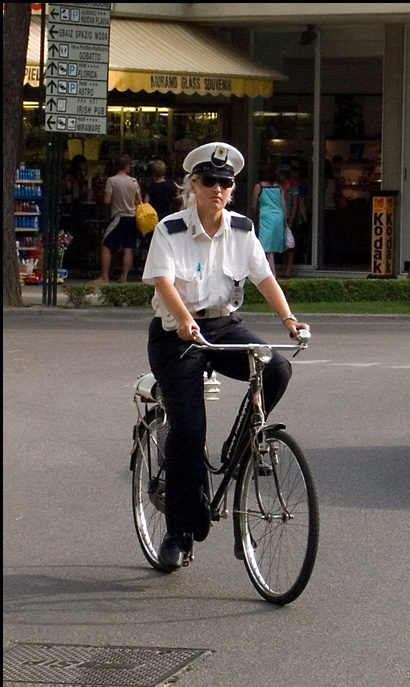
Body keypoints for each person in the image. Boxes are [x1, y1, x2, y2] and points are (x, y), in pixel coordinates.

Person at [142, 141, 310, 572]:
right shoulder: (171, 230)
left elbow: (265, 278)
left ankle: (240, 446)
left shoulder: (241, 229)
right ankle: (177, 533)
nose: (217, 188)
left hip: (222, 325)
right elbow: (163, 282)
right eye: (208, 181)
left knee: (277, 367)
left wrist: (290, 320)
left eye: (225, 182)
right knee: (188, 430)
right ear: (192, 186)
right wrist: (184, 320)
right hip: (177, 334)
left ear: (232, 190)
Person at [94, 154, 141, 283]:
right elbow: (138, 200)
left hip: (119, 217)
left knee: (106, 245)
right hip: (132, 217)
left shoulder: (112, 180)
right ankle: (124, 276)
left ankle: (105, 276)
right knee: (128, 248)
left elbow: (107, 200)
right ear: (127, 167)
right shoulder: (134, 181)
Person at [250, 164, 287, 278]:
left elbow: (253, 205)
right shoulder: (278, 187)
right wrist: (285, 220)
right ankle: (270, 272)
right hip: (279, 216)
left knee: (266, 247)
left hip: (266, 217)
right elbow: (283, 204)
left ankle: (271, 274)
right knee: (272, 246)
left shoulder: (259, 186)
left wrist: (253, 215)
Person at [277, 165, 299, 277]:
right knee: (282, 244)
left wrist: (291, 219)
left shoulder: (293, 187)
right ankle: (283, 268)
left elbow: (295, 204)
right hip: (280, 218)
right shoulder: (278, 187)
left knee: (290, 245)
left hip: (289, 218)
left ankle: (288, 270)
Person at [323, 158, 346, 266]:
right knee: (333, 236)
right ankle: (335, 259)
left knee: (324, 236)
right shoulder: (334, 182)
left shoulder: (323, 181)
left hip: (324, 210)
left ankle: (325, 258)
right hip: (333, 209)